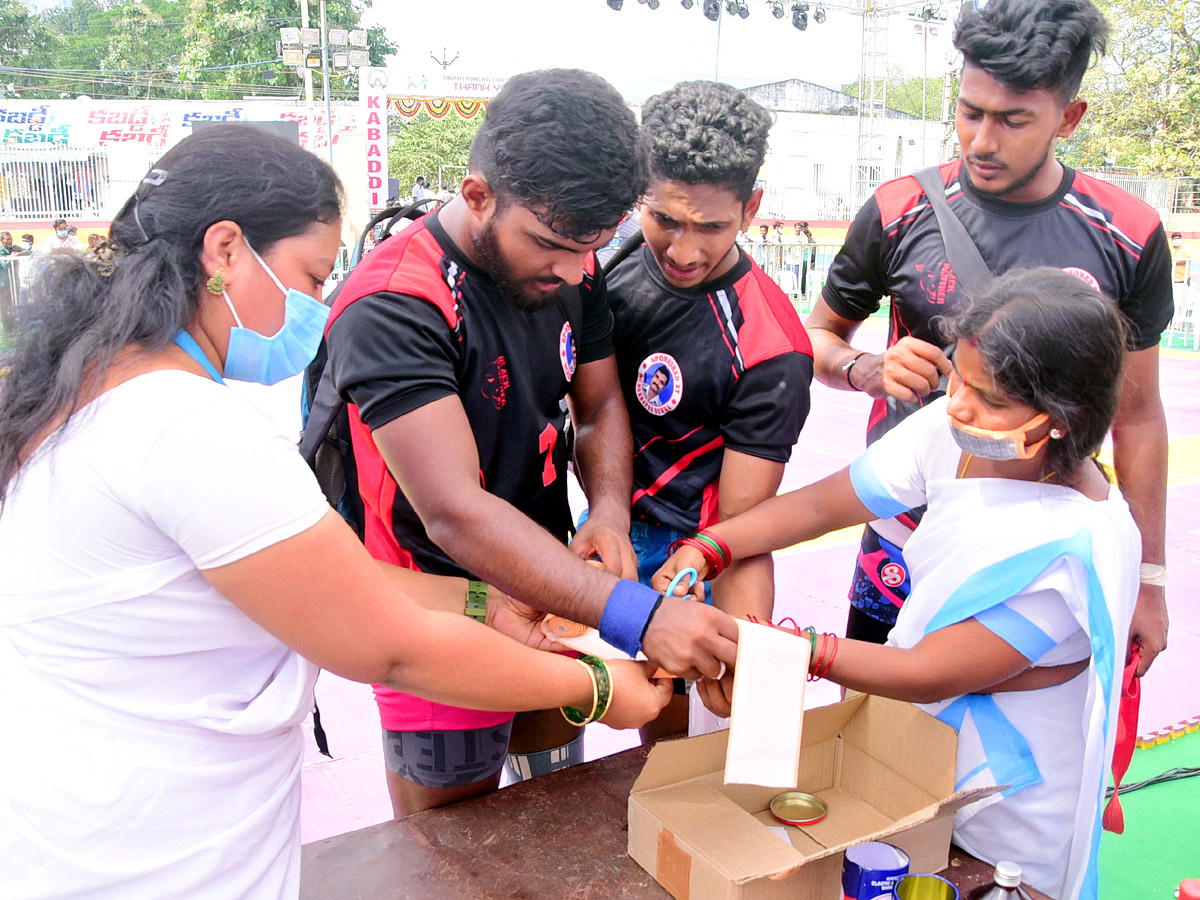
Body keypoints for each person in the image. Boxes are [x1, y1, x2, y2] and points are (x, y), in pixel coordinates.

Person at [0, 125, 674, 899]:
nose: (318, 303)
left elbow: (326, 577)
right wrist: (595, 684)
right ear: (225, 251)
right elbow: (392, 650)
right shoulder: (186, 430)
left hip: (93, 826)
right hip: (153, 857)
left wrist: (483, 600)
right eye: (314, 275)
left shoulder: (83, 389)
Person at [324, 69, 738, 817]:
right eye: (551, 245)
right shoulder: (395, 305)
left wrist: (608, 510)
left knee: (551, 806)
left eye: (594, 247)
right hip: (442, 609)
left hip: (548, 587)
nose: (577, 270)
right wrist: (638, 616)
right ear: (478, 194)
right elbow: (455, 512)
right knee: (450, 847)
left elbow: (601, 397)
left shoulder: (571, 263)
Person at [658, 268, 1138, 900]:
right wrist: (712, 544)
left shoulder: (1073, 549)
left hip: (1008, 804)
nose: (959, 404)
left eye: (991, 398)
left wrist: (790, 648)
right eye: (959, 377)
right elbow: (821, 506)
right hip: (911, 752)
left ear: (1060, 419)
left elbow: (927, 670)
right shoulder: (955, 431)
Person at [804, 0, 1172, 675]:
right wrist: (866, 368)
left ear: (1069, 118)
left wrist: (1148, 579)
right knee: (866, 733)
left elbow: (1140, 415)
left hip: (1045, 556)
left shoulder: (1130, 232)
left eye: (1011, 120)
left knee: (1014, 751)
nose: (980, 140)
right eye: (970, 112)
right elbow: (820, 340)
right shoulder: (895, 208)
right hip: (905, 534)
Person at [602, 81, 813, 738]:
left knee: (690, 734)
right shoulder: (601, 264)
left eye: (713, 226)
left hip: (692, 554)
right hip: (599, 527)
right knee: (563, 716)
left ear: (752, 207)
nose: (685, 251)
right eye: (666, 219)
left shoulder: (771, 345)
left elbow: (743, 528)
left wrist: (744, 647)